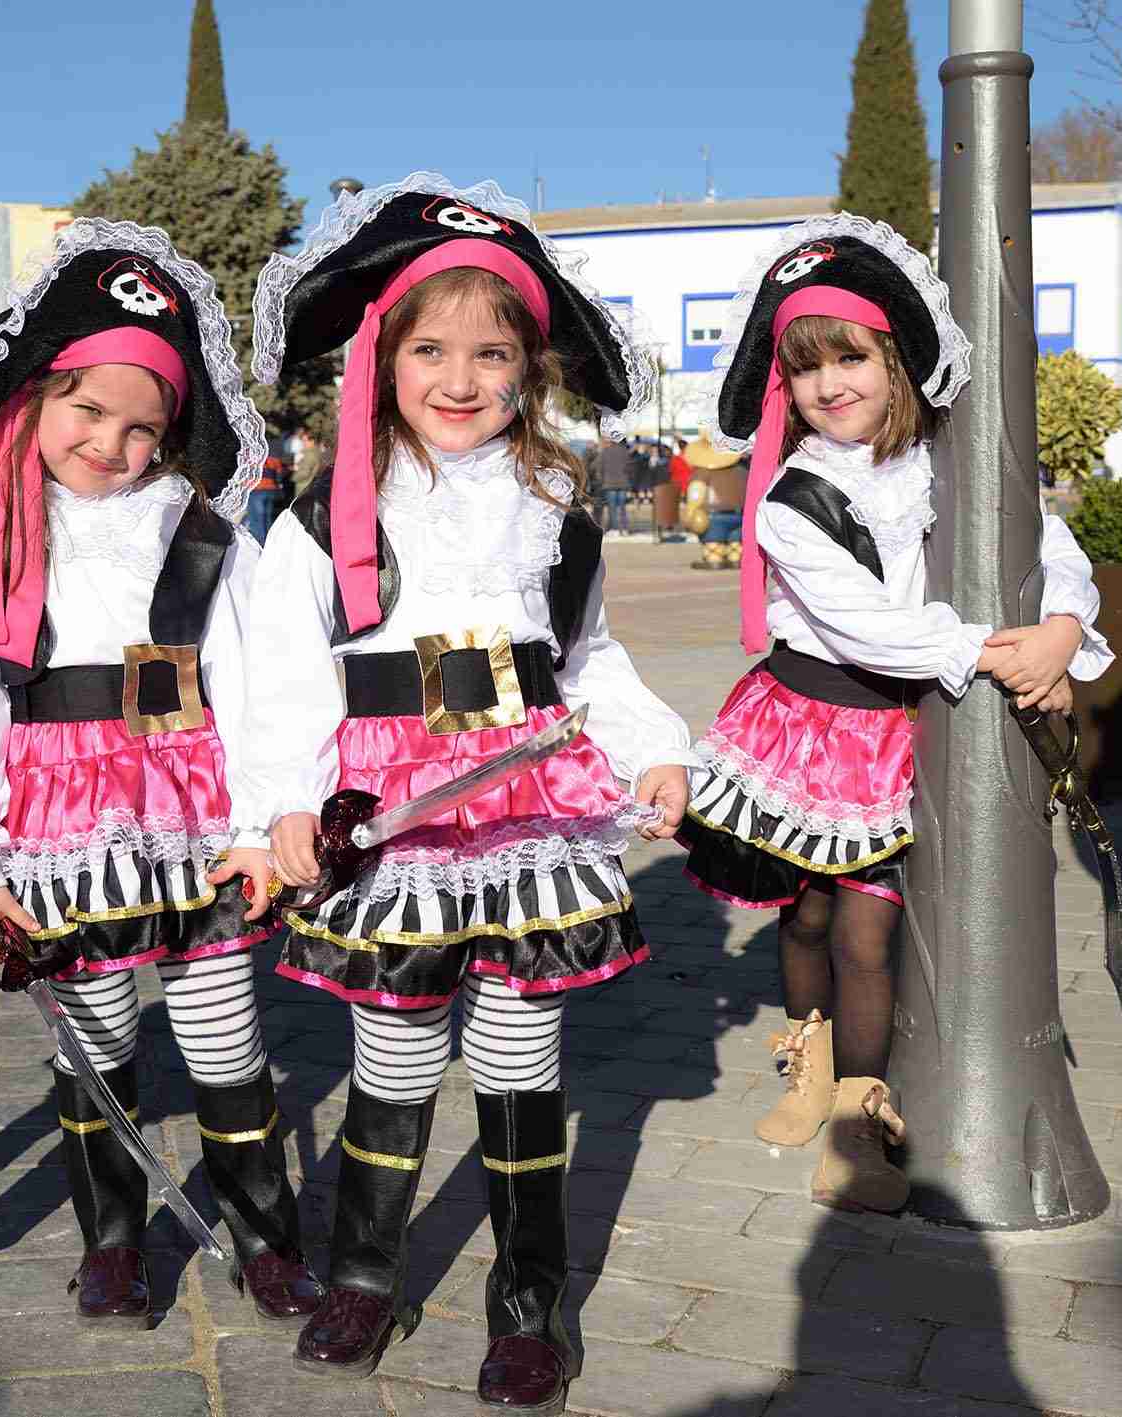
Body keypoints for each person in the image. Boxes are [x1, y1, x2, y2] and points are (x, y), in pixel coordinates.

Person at [241, 176, 696, 1408]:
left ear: (527, 368)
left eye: (489, 352)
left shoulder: (558, 506)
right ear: (379, 361)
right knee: (388, 1050)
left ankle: (530, 1296)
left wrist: (655, 748)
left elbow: (588, 659)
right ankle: (362, 1275)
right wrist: (281, 800)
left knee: (515, 1049)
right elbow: (282, 679)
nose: (459, 377)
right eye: (429, 349)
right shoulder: (313, 519)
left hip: (526, 806)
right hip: (387, 812)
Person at [674, 216, 1114, 1215]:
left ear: (894, 358)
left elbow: (1051, 545)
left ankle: (858, 1120)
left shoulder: (951, 459)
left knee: (867, 932)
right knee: (809, 912)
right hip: (811, 721)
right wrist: (990, 653)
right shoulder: (792, 498)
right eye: (805, 371)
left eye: (851, 357)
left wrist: (1057, 629)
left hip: (898, 726)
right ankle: (809, 1073)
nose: (830, 384)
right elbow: (869, 627)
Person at [0, 223, 323, 1328]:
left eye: (141, 425)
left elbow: (255, 685)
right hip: (54, 817)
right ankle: (110, 1243)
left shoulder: (204, 536)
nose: (110, 442)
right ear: (35, 401)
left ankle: (264, 1235)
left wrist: (257, 824)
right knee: (93, 1035)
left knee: (221, 1029)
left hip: (187, 811)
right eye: (87, 412)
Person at [593, 433, 633, 532]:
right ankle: (624, 528)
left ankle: (615, 528)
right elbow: (630, 467)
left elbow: (598, 467)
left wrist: (601, 480)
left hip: (609, 483)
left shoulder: (605, 451)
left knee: (612, 508)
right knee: (622, 507)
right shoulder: (625, 452)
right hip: (623, 483)